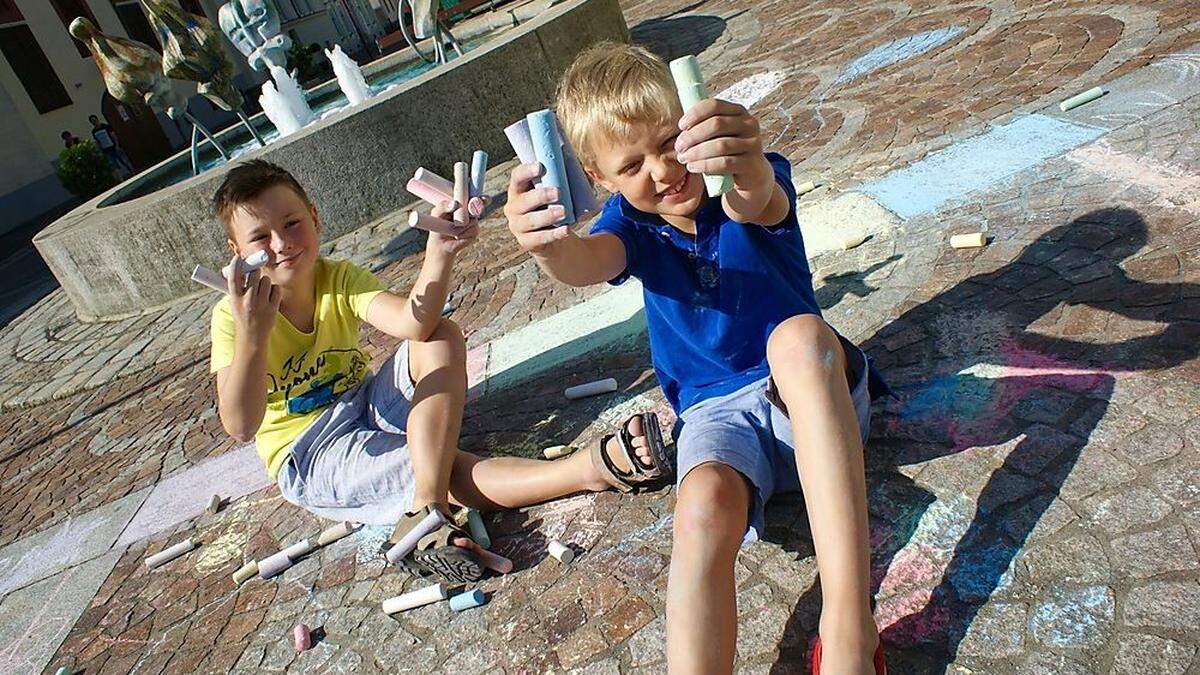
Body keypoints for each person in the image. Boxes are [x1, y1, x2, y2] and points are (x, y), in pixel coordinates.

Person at [502, 43, 889, 674]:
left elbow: (757, 199)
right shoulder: (626, 226)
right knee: (701, 504)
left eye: (668, 141)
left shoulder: (742, 177)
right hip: (717, 421)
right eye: (632, 164)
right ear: (601, 180)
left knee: (796, 337)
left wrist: (749, 162)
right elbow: (583, 261)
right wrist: (545, 244)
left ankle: (848, 622)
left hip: (815, 399)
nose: (662, 170)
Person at [209, 159, 669, 583]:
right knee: (441, 463)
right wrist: (252, 336)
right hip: (309, 451)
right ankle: (588, 469)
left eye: (292, 224)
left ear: (314, 216)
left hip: (364, 403)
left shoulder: (335, 276)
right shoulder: (234, 317)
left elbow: (413, 321)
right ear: (236, 252)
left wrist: (441, 252)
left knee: (440, 335)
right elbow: (241, 425)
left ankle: (424, 506)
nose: (282, 243)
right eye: (260, 238)